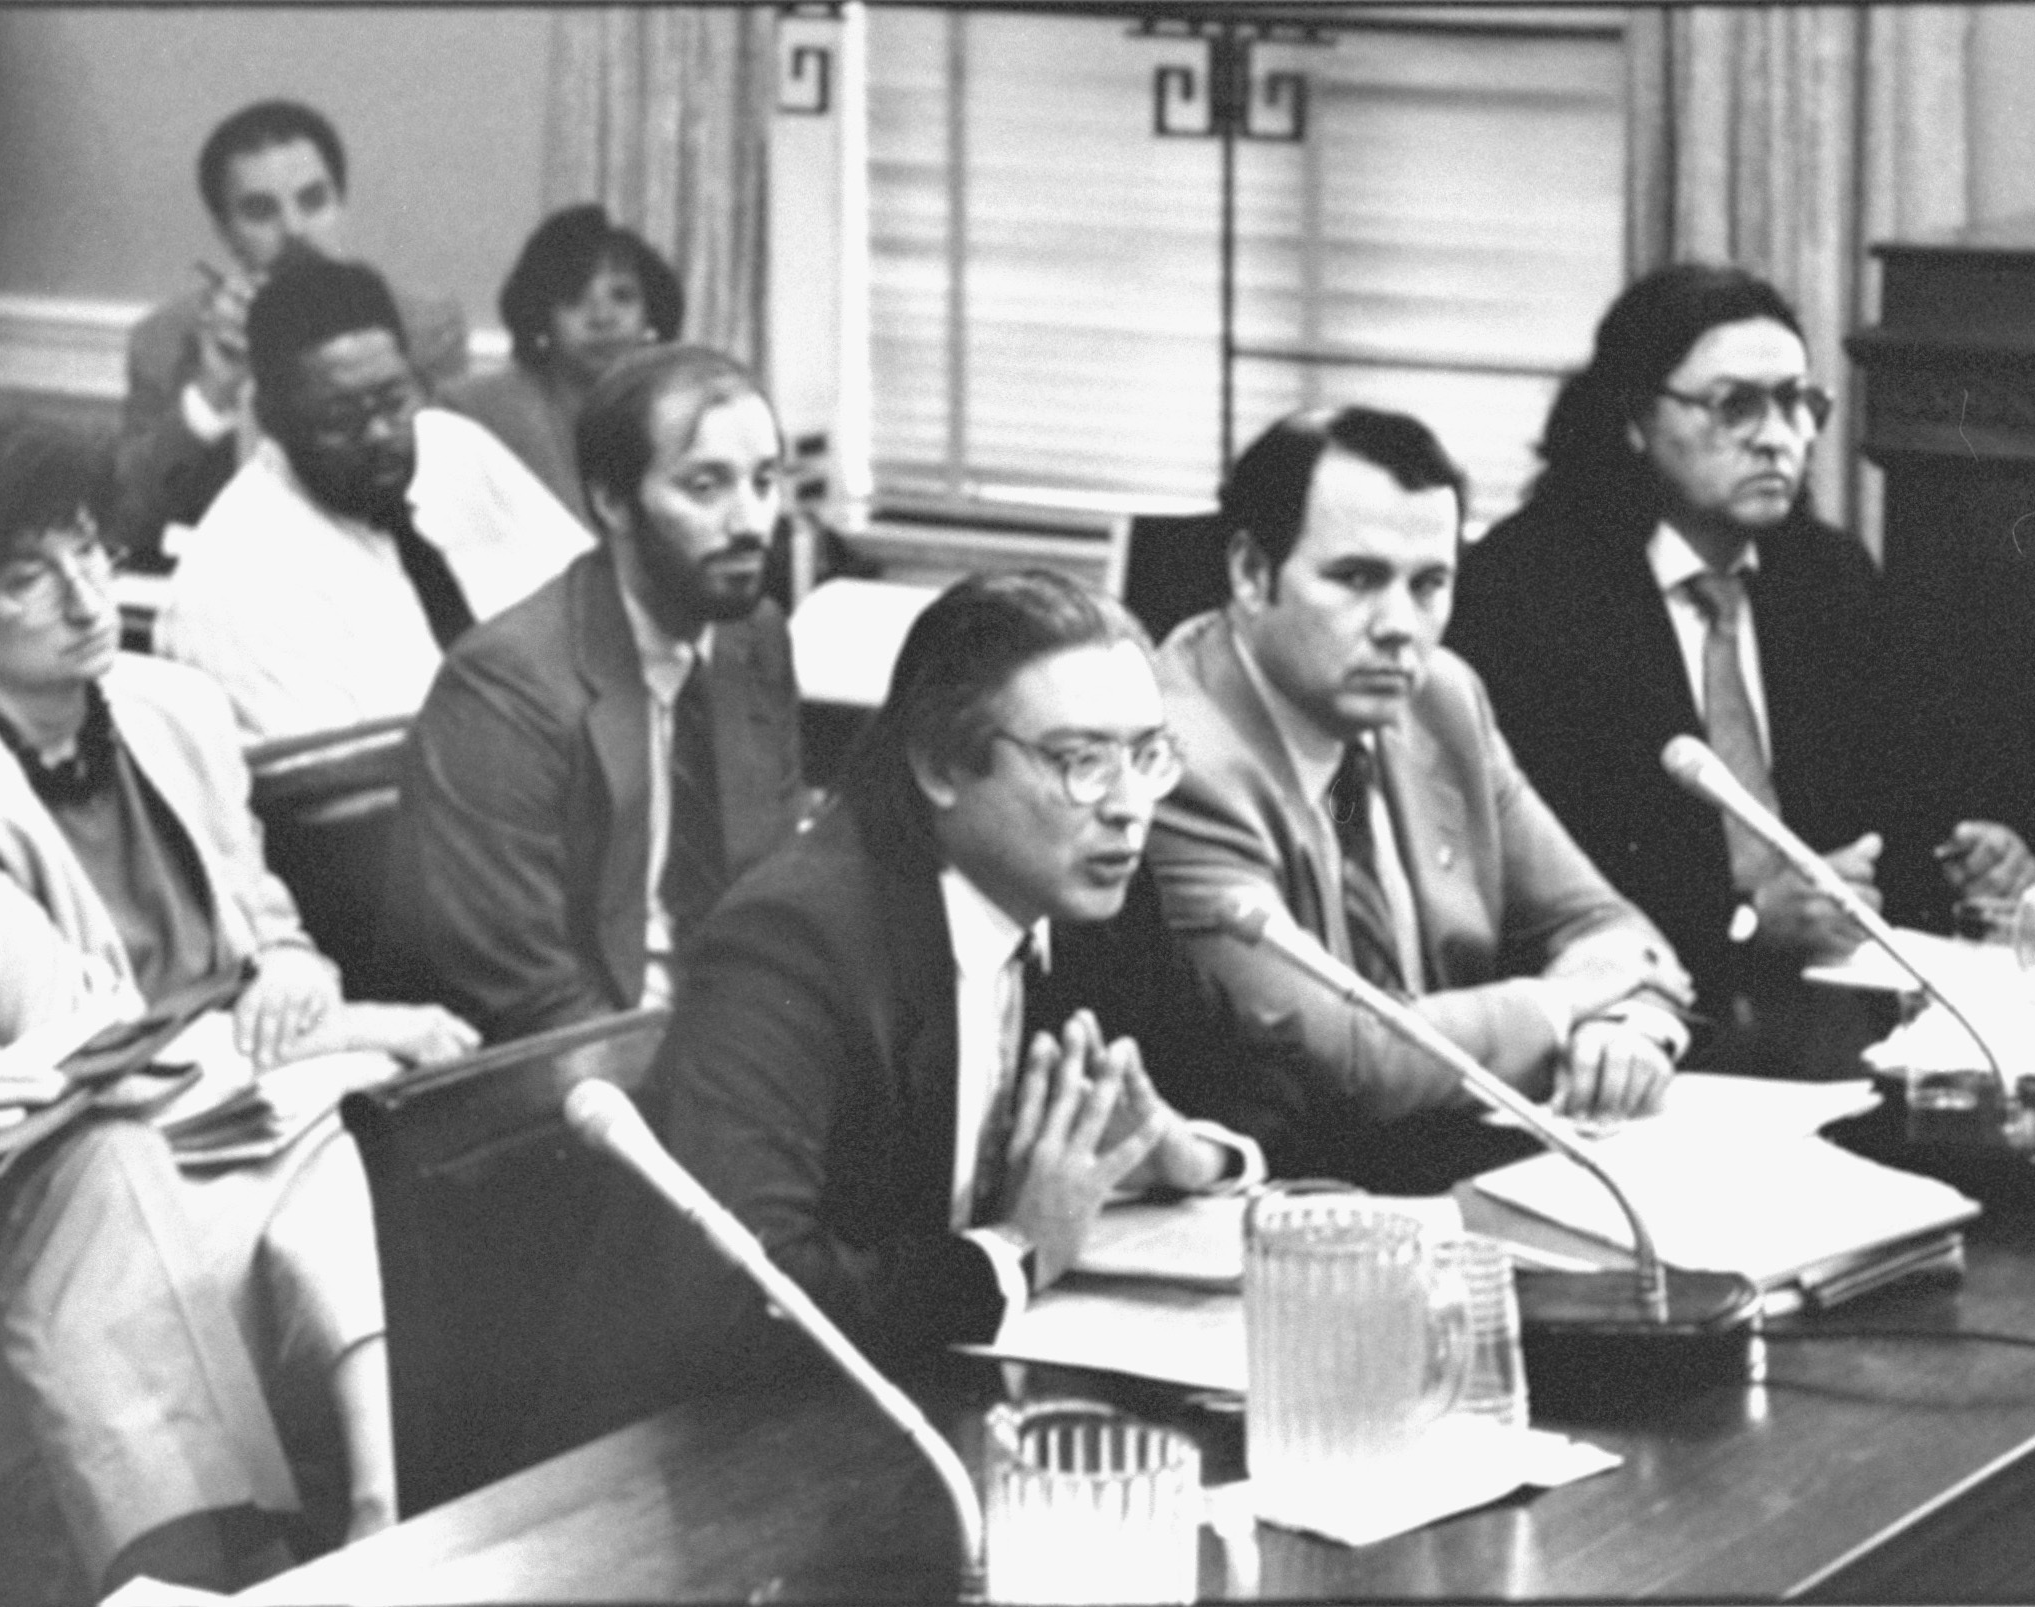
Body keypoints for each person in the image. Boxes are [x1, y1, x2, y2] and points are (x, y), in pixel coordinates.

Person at [0, 410, 478, 1594]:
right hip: (84, 1135)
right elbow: (83, 1038)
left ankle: (376, 1512)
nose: (86, 596)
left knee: (359, 1139)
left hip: (244, 1097)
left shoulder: (172, 708)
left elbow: (265, 925)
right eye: (27, 577)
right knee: (280, 1129)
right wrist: (360, 1026)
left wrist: (303, 974)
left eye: (92, 553)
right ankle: (235, 1557)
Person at [614, 570, 1268, 1398]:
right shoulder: (795, 940)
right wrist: (1015, 1252)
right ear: (940, 765)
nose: (1130, 806)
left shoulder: (1099, 893)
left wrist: (1184, 1150)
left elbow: (1266, 1085)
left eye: (1146, 756)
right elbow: (750, 1290)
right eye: (1081, 762)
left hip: (951, 1396)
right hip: (718, 1441)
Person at [1444, 264, 2035, 1072]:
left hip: (1827, 1015)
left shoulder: (1824, 574)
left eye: (1798, 402)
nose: (1776, 435)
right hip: (1633, 1026)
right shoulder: (1529, 591)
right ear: (1635, 419)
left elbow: (1890, 811)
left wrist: (1969, 858)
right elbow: (1537, 888)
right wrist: (1748, 919)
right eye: (1736, 405)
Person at [1147, 406, 1693, 1193]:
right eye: (1356, 579)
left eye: (1430, 584)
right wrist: (1563, 1004)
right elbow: (1348, 1059)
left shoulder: (1441, 700)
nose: (1401, 627)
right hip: (1278, 1203)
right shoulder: (1175, 756)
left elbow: (1607, 926)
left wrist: (1623, 1026)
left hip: (1451, 1173)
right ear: (1249, 573)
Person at [395, 346, 810, 1045]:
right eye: (705, 486)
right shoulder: (504, 688)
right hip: (586, 1066)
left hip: (731, 1039)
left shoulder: (753, 638)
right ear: (613, 501)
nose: (751, 523)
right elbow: (527, 992)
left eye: (765, 481)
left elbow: (770, 891)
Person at [159, 255, 592, 743]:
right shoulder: (234, 578)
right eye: (341, 417)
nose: (381, 433)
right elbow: (343, 796)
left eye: (394, 398)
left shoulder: (452, 446)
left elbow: (592, 604)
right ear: (272, 418)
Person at [113, 99, 468, 563]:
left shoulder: (424, 329)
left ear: (340, 204)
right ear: (225, 232)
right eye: (261, 211)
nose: (295, 228)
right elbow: (124, 519)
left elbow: (453, 508)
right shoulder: (163, 343)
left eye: (313, 200)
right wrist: (214, 390)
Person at [440, 204, 686, 526]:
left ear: (651, 313)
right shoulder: (481, 412)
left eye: (622, 297)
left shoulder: (688, 409)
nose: (602, 318)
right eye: (575, 299)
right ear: (541, 314)